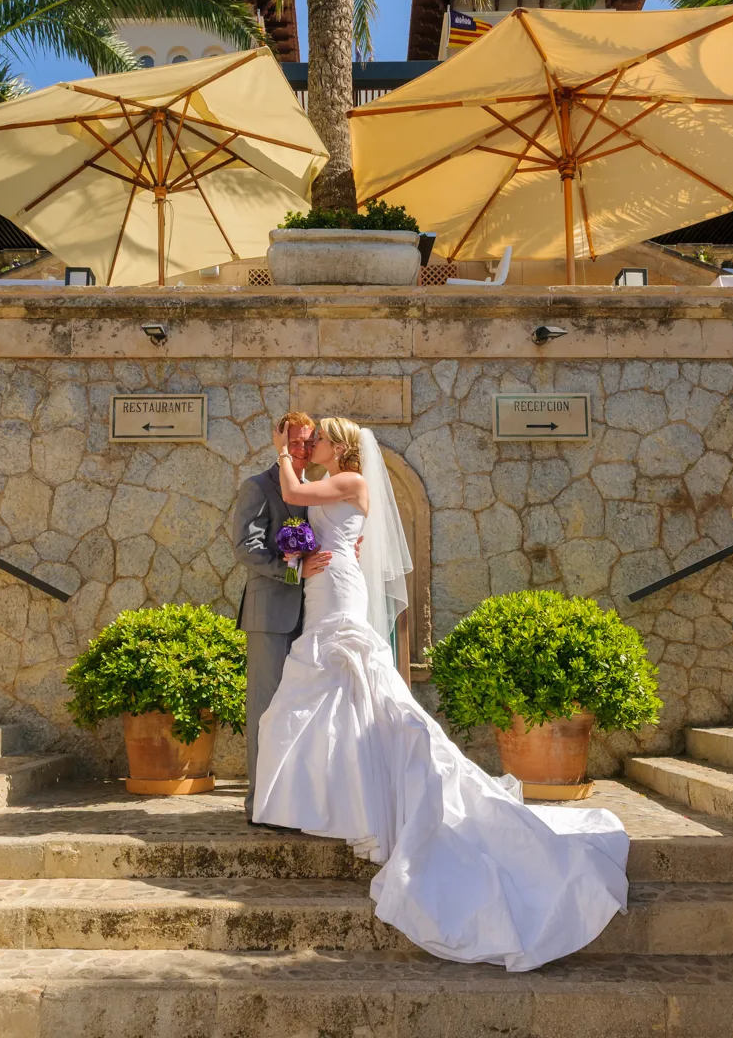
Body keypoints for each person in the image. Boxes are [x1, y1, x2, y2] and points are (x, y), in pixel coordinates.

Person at [252, 416, 631, 972]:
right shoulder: (331, 480)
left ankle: (367, 801)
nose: (316, 446)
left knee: (342, 684)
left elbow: (291, 491)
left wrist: (282, 450)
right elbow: (313, 517)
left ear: (345, 446)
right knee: (330, 695)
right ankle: (346, 800)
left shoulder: (352, 481)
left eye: (324, 439)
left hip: (338, 591)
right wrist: (294, 556)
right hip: (324, 582)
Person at [232, 410, 331, 826]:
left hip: (312, 615)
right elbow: (246, 547)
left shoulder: (315, 489)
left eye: (309, 442)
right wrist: (293, 569)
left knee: (301, 710)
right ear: (280, 441)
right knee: (266, 711)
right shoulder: (257, 486)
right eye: (295, 442)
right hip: (271, 615)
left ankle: (292, 801)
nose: (303, 449)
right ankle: (260, 805)